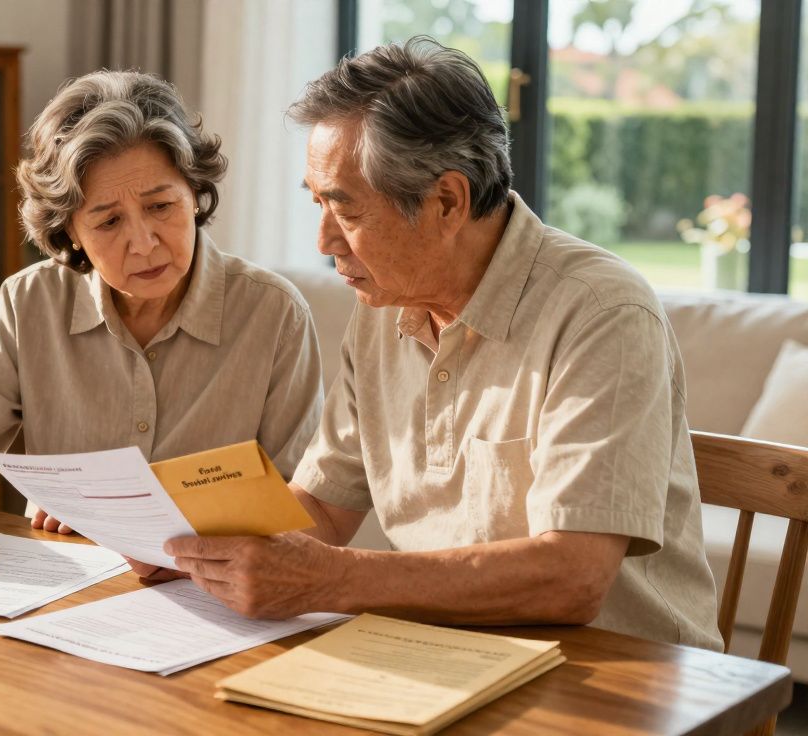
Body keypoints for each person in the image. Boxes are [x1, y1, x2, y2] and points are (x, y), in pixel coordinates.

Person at [165, 37, 723, 650]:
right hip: (452, 656)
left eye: (346, 211)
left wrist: (331, 580)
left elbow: (573, 578)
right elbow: (321, 512)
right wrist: (185, 544)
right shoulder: (384, 308)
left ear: (447, 201)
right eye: (317, 202)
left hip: (620, 678)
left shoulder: (603, 314)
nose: (324, 240)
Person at [0, 70, 323, 570]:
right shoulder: (31, 305)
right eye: (109, 221)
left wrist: (146, 522)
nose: (143, 242)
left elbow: (303, 501)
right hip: (69, 590)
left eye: (161, 206)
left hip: (217, 595)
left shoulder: (274, 314)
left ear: (195, 194)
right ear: (68, 229)